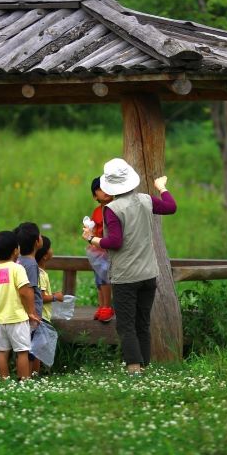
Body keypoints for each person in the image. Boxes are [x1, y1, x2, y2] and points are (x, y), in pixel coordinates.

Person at [82, 158, 177, 375]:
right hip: (149, 273)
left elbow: (114, 242)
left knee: (126, 325)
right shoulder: (146, 200)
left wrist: (91, 239)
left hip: (126, 275)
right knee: (142, 322)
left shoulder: (112, 209)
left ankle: (134, 368)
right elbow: (171, 207)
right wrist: (162, 188)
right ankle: (143, 365)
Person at [0, 230, 40, 380]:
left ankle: (5, 380)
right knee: (22, 351)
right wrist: (31, 311)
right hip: (17, 318)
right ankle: (24, 379)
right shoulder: (18, 268)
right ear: (15, 250)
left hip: (1, 319)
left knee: (2, 351)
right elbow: (26, 292)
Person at [14, 222, 43, 373]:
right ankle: (27, 376)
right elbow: (29, 290)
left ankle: (26, 375)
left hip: (21, 310)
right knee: (30, 347)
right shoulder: (31, 264)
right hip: (31, 312)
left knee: (24, 346)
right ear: (37, 242)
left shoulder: (18, 260)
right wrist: (33, 312)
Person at [87, 177, 115, 322]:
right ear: (95, 196)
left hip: (109, 250)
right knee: (99, 280)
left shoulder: (115, 208)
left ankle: (108, 307)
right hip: (98, 252)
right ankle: (102, 306)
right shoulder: (97, 211)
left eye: (107, 187)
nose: (104, 191)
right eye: (100, 189)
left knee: (106, 280)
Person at [36, 235, 63, 323]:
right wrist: (56, 297)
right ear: (45, 256)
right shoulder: (40, 274)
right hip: (41, 317)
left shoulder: (39, 272)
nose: (52, 250)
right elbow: (41, 297)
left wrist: (52, 294)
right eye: (49, 248)